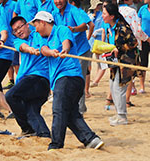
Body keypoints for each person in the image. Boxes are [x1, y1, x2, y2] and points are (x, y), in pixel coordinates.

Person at [34, 11, 104, 150]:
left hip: (69, 76)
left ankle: (56, 145)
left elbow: (67, 42)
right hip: (63, 79)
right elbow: (43, 49)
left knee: (59, 110)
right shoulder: (43, 38)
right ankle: (91, 139)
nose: (35, 29)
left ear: (43, 22)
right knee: (70, 113)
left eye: (36, 25)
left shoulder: (61, 29)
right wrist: (52, 52)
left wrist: (65, 50)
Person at [6, 15, 52, 138]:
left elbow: (44, 46)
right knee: (31, 110)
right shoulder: (17, 41)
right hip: (29, 82)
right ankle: (43, 134)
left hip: (38, 79)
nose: (18, 31)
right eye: (15, 30)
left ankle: (27, 129)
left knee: (10, 96)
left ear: (27, 25)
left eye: (20, 27)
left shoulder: (38, 35)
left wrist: (38, 49)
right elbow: (23, 47)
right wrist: (30, 49)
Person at [51, 0, 92, 112]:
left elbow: (85, 26)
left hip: (80, 51)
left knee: (79, 79)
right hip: (66, 52)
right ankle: (74, 107)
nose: (58, 1)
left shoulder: (74, 10)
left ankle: (80, 109)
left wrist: (73, 29)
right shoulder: (54, 13)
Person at [102, 1, 139, 126]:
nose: (102, 16)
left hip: (125, 61)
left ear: (112, 16)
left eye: (104, 14)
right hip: (114, 61)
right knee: (113, 86)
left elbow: (134, 42)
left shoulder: (123, 28)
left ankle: (122, 116)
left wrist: (120, 48)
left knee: (120, 88)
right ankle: (118, 113)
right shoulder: (109, 28)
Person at [0, 0, 19, 88]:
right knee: (9, 61)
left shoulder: (14, 4)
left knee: (16, 62)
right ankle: (11, 81)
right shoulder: (0, 8)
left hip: (14, 38)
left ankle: (19, 81)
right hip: (5, 39)